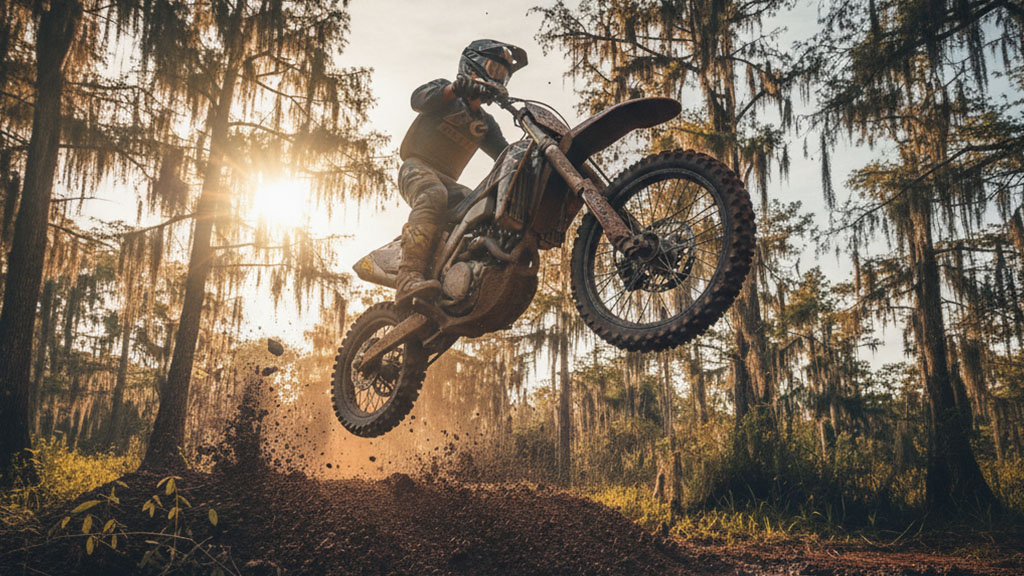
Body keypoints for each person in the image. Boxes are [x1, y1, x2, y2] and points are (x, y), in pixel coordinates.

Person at [394, 39, 528, 305]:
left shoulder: (485, 124)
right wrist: (454, 89)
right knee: (433, 194)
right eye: (493, 68)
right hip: (416, 167)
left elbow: (504, 156)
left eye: (503, 75)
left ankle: (464, 280)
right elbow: (417, 100)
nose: (498, 77)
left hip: (449, 184)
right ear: (472, 65)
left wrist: (531, 152)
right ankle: (408, 276)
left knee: (480, 207)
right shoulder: (446, 93)